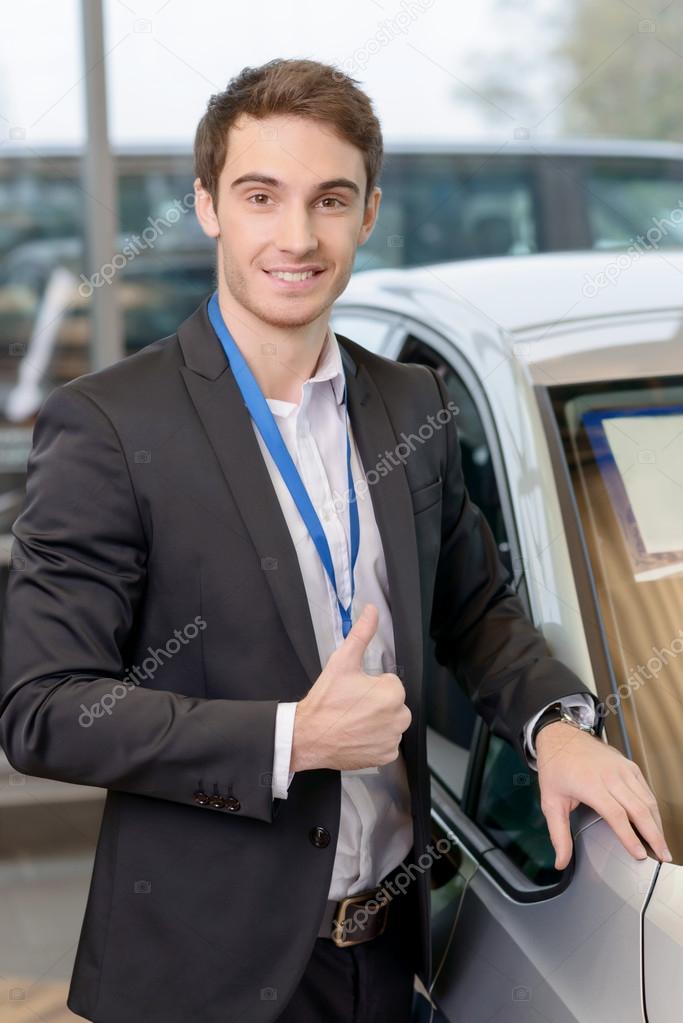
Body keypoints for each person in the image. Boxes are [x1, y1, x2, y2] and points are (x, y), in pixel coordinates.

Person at [0, 58, 670, 1023]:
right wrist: (290, 737)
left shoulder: (409, 401)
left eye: (330, 199)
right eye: (261, 195)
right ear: (207, 206)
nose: (296, 235)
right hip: (206, 977)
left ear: (366, 213)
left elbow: (472, 612)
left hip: (387, 955)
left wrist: (553, 725)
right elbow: (42, 709)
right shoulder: (108, 425)